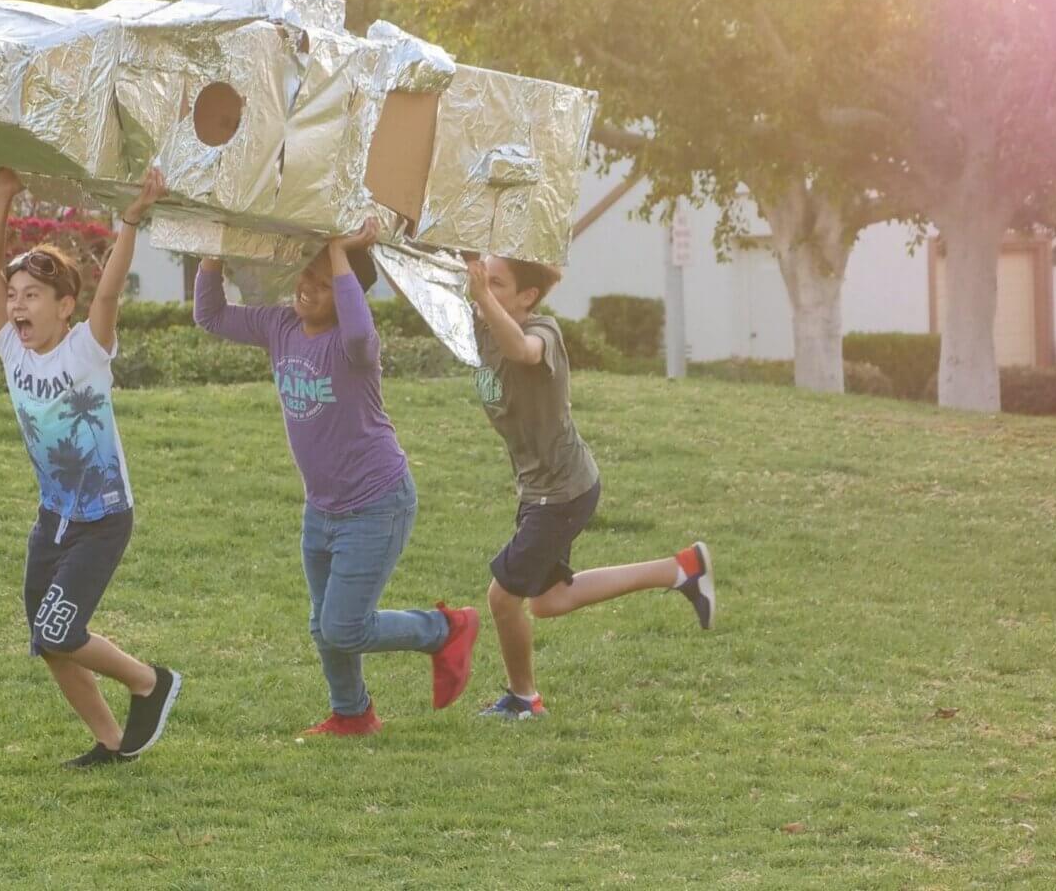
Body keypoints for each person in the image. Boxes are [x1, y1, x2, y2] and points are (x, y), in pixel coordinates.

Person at [192, 219, 480, 736]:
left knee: (344, 625)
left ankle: (445, 629)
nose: (309, 286)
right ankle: (353, 714)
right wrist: (213, 250)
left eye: (326, 283)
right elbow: (209, 315)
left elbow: (361, 333)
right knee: (324, 624)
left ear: (349, 292)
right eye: (309, 273)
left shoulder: (354, 348)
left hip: (377, 502)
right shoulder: (279, 326)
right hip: (321, 508)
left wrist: (340, 252)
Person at [0, 166, 180, 768]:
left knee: (62, 631)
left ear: (66, 306)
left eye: (32, 295)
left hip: (103, 520)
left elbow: (110, 293)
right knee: (48, 640)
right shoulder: (11, 350)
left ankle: (150, 681)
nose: (16, 304)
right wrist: (2, 195)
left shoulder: (87, 350)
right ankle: (113, 742)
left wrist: (132, 217)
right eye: (14, 296)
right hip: (53, 521)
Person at [464, 255, 715, 721]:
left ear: (527, 297)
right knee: (549, 601)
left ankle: (524, 700)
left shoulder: (545, 333)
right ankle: (681, 569)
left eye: (496, 283)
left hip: (561, 491)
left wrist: (481, 297)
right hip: (543, 489)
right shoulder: (480, 330)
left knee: (503, 598)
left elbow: (523, 351)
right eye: (481, 280)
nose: (481, 287)